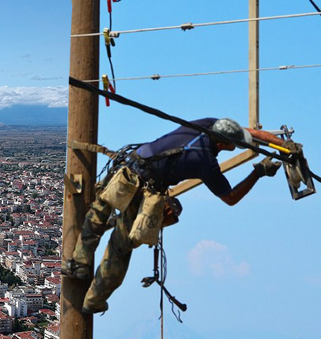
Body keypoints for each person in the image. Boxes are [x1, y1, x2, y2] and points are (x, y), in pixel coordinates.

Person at [62, 117, 296, 314]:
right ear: (223, 145)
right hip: (144, 189)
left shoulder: (206, 123)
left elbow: (251, 133)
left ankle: (79, 263)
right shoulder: (205, 162)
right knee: (120, 247)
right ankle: (93, 300)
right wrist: (259, 172)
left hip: (129, 170)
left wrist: (283, 145)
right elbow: (231, 198)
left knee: (97, 214)